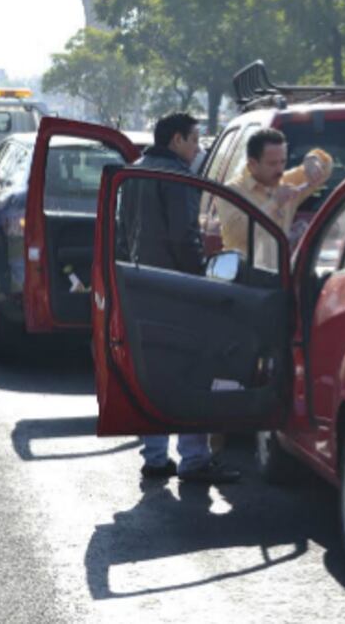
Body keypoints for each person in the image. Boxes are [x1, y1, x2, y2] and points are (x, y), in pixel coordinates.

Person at [120, 112, 240, 484]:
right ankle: (194, 459)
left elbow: (123, 230)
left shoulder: (135, 171)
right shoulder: (178, 178)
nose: (198, 148)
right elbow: (184, 234)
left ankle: (155, 458)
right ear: (176, 141)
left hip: (140, 285)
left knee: (150, 375)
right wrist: (201, 281)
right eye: (194, 140)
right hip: (178, 290)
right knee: (193, 374)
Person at [216, 128, 333, 257]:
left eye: (283, 162)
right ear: (252, 164)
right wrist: (274, 203)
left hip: (280, 272)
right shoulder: (231, 191)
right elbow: (239, 234)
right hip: (245, 273)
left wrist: (312, 159)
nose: (279, 170)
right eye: (272, 164)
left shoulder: (284, 181)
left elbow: (324, 170)